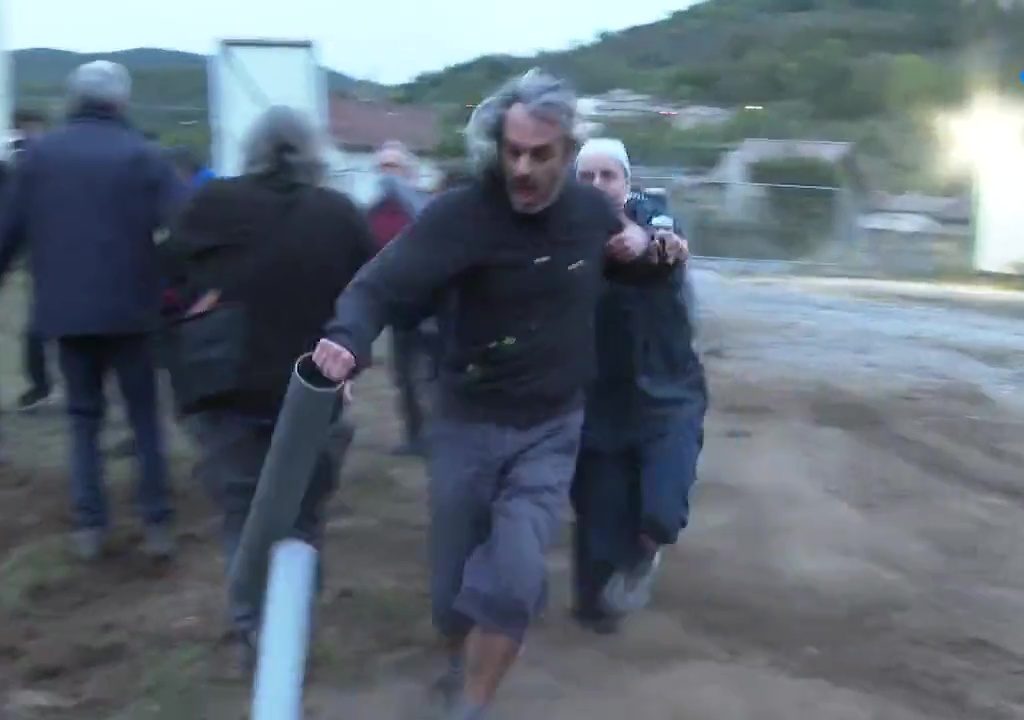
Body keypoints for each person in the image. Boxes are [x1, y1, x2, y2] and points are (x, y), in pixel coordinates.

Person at [312, 69, 676, 720]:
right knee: (455, 586)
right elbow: (380, 285)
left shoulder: (591, 213)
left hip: (552, 426)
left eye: (540, 155)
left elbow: (644, 268)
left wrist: (654, 250)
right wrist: (346, 341)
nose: (524, 169)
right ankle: (458, 654)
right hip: (466, 421)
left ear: (567, 153)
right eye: (513, 152)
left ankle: (469, 707)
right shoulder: (462, 215)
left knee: (514, 575)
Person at [164, 105, 373, 665]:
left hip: (225, 386)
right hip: (314, 386)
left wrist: (197, 305)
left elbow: (165, 276)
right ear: (313, 153)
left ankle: (251, 626)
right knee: (303, 511)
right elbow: (372, 294)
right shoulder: (339, 213)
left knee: (243, 509)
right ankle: (291, 627)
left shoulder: (214, 203)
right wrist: (356, 362)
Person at [0, 61, 186, 561]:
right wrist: (181, 286)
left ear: (72, 99)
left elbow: (7, 233)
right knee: (144, 417)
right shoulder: (146, 156)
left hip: (65, 312)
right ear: (120, 102)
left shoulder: (38, 159)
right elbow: (185, 228)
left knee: (83, 418)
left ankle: (90, 526)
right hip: (133, 310)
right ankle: (156, 522)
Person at [571, 138, 707, 634]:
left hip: (668, 388)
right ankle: (594, 606)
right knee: (598, 507)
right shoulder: (561, 228)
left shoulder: (654, 217)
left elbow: (666, 244)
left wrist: (643, 242)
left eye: (608, 175)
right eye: (585, 177)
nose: (597, 186)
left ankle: (646, 551)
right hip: (598, 394)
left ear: (627, 181)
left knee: (663, 506)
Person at [365, 140, 435, 456]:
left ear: (408, 172)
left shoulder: (426, 207)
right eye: (382, 167)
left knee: (430, 374)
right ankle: (415, 436)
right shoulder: (372, 212)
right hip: (394, 307)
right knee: (404, 376)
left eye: (393, 167)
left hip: (429, 306)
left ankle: (439, 437)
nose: (387, 174)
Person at [10, 109, 55, 412]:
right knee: (37, 325)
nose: (30, 132)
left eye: (34, 126)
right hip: (40, 252)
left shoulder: (52, 158)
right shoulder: (17, 161)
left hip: (55, 249)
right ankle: (40, 385)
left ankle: (43, 385)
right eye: (25, 127)